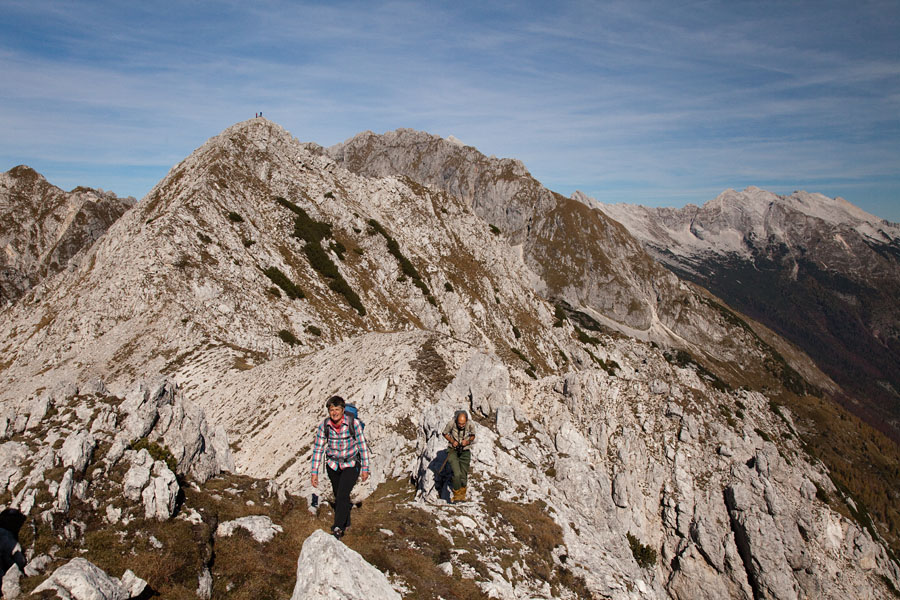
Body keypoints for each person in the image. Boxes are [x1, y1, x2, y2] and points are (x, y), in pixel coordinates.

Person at [311, 395, 370, 539]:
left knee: (343, 494)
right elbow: (318, 448)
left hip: (350, 463)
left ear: (343, 410)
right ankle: (346, 520)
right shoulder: (324, 426)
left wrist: (365, 468)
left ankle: (338, 527)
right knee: (338, 494)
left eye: (337, 409)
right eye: (331, 410)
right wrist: (314, 472)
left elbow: (362, 446)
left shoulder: (353, 424)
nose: (334, 413)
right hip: (333, 465)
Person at [442, 410, 475, 502]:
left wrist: (467, 442)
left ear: (466, 420)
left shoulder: (470, 425)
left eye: (463, 424)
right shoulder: (451, 423)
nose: (461, 426)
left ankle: (462, 495)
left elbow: (473, 436)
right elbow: (444, 433)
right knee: (457, 474)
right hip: (453, 451)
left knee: (464, 476)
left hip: (465, 451)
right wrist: (452, 441)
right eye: (459, 424)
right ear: (456, 421)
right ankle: (456, 496)